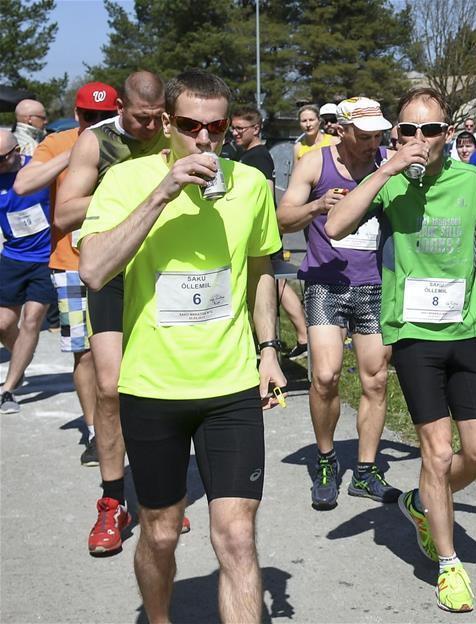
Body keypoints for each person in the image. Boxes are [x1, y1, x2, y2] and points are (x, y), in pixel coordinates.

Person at [78, 69, 286, 622]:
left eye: (216, 127)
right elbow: (95, 270)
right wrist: (164, 190)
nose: (204, 139)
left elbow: (262, 267)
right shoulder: (125, 181)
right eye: (191, 125)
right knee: (162, 534)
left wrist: (269, 348)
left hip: (232, 385)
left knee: (237, 537)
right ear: (168, 123)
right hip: (153, 387)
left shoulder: (251, 185)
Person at [325, 86, 476, 613]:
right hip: (414, 334)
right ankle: (447, 563)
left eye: (431, 130)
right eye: (408, 130)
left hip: (466, 330)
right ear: (396, 134)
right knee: (437, 453)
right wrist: (386, 168)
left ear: (449, 133)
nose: (420, 140)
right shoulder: (391, 182)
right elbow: (334, 226)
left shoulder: (470, 180)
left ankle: (422, 503)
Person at [54, 70, 184, 555]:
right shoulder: (96, 141)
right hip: (111, 270)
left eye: (158, 120)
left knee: (166, 385)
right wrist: (133, 194)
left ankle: (163, 493)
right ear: (121, 110)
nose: (151, 128)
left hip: (163, 272)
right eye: (141, 119)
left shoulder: (177, 134)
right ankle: (112, 501)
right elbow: (64, 214)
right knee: (109, 387)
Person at [278, 97, 399, 510]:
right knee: (326, 376)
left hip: (374, 285)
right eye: (364, 136)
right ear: (341, 130)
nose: (372, 144)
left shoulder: (388, 162)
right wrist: (316, 206)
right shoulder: (315, 163)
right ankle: (326, 459)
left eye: (377, 135)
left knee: (376, 380)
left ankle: (365, 471)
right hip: (326, 284)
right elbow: (282, 216)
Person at [11, 81, 119, 460]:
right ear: (78, 115)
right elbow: (24, 183)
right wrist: (75, 152)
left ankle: (126, 426)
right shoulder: (58, 142)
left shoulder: (129, 142)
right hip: (70, 263)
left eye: (106, 116)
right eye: (91, 116)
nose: (99, 122)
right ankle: (94, 431)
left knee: (127, 351)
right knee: (84, 353)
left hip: (122, 260)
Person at [232, 106, 309, 360]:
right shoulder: (247, 155)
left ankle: (302, 336)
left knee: (276, 282)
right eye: (232, 128)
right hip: (260, 230)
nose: (235, 133)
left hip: (264, 230)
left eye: (240, 129)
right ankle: (300, 335)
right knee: (275, 284)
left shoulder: (258, 157)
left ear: (256, 129)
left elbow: (265, 192)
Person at [0, 130, 53, 414]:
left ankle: (8, 388)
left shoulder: (39, 169)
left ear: (16, 150)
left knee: (32, 321)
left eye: (1, 159)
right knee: (4, 324)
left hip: (45, 258)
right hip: (12, 257)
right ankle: (22, 356)